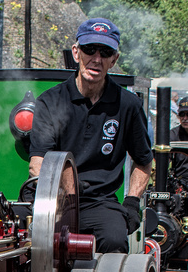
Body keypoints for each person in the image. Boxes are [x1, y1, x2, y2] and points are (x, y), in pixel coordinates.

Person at [27, 18, 153, 254]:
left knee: (114, 239)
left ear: (114, 60)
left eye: (105, 52)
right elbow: (38, 165)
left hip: (101, 202)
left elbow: (144, 160)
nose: (96, 58)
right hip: (57, 200)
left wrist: (133, 202)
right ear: (76, 53)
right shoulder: (50, 101)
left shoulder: (128, 105)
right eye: (89, 49)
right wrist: (63, 195)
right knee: (30, 250)